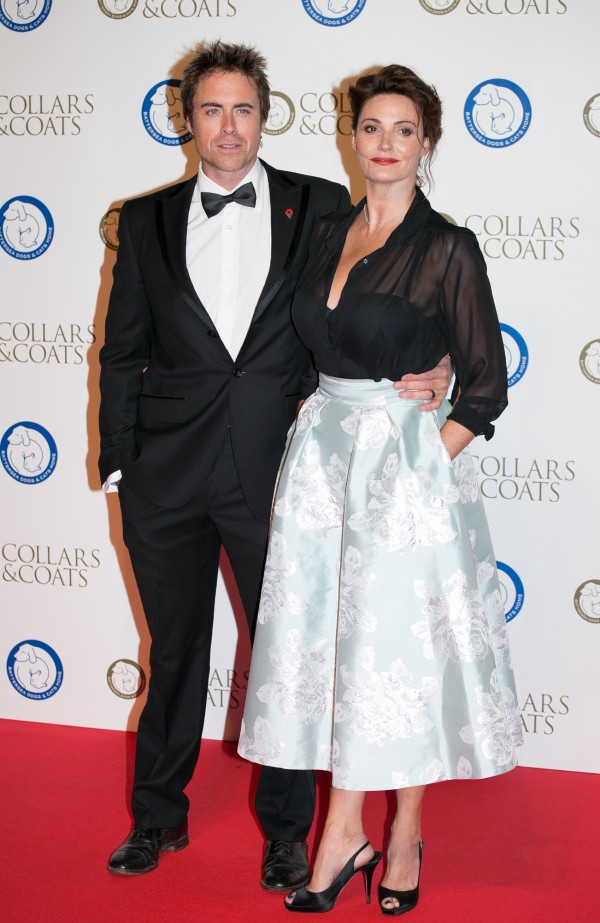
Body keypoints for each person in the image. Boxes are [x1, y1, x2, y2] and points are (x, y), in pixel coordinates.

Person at [98, 43, 451, 888]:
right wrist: (119, 462)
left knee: (289, 659)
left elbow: (389, 288)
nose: (228, 126)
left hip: (286, 474)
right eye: (211, 109)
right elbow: (121, 352)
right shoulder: (142, 220)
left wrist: (434, 366)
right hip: (166, 475)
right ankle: (157, 817)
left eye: (244, 109)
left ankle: (293, 833)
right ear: (188, 118)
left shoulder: (322, 205)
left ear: (266, 115)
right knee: (174, 650)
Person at [239, 64, 523, 915]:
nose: (386, 144)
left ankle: (402, 834)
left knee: (396, 659)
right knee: (332, 658)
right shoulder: (326, 231)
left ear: (427, 144)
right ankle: (343, 828)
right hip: (322, 463)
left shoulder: (447, 247)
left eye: (404, 130)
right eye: (372, 127)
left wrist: (425, 462)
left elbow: (486, 385)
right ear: (351, 136)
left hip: (403, 474)